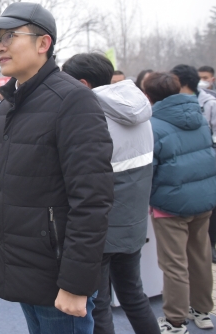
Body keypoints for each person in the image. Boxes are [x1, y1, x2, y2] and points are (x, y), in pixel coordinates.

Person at [0, 2, 114, 333]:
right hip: (23, 263)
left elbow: (92, 200)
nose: (0, 46)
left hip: (58, 272)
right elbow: (9, 186)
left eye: (10, 36)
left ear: (43, 43)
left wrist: (76, 283)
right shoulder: (10, 105)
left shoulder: (73, 100)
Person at [62, 53, 158, 334]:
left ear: (83, 83)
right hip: (133, 224)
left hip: (100, 229)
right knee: (134, 296)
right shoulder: (141, 112)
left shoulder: (91, 116)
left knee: (99, 305)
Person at [143, 72, 216, 333]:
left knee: (174, 265)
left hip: (170, 206)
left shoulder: (153, 125)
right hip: (203, 200)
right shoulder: (199, 117)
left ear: (148, 96)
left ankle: (175, 321)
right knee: (200, 258)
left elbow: (149, 171)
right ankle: (202, 311)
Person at [171, 65, 216, 265]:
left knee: (209, 207)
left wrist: (211, 163)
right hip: (183, 168)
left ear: (183, 82)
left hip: (209, 168)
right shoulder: (171, 102)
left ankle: (211, 245)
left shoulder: (211, 104)